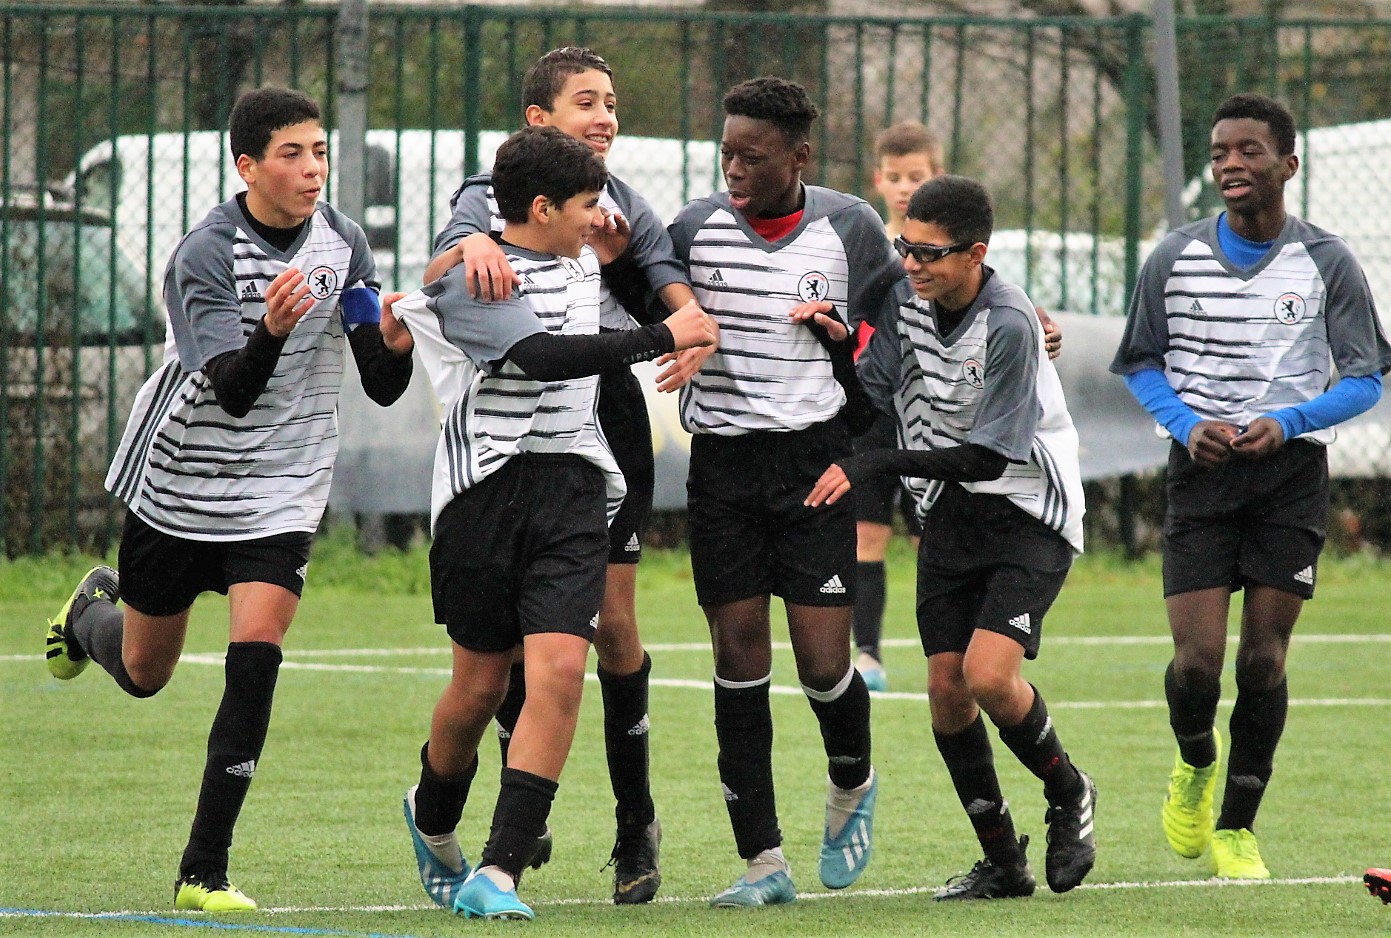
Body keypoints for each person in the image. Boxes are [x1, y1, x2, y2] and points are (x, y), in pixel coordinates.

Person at [42, 87, 416, 912]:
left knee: (256, 655)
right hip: (180, 480)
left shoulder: (343, 243)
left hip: (282, 486)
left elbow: (382, 385)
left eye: (320, 151)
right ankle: (89, 613)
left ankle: (201, 869)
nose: (313, 167)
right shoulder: (205, 254)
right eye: (293, 153)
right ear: (248, 166)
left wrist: (393, 340)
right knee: (144, 674)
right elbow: (233, 391)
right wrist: (274, 328)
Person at [391, 125, 715, 921]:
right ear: (540, 208)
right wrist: (658, 337)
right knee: (477, 686)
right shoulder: (477, 280)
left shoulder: (580, 259)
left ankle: (498, 872)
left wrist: (670, 311)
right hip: (484, 498)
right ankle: (431, 817)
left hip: (573, 492)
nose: (598, 216)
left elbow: (627, 278)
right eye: (583, 204)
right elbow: (538, 357)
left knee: (561, 672)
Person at [1111, 92, 1391, 879]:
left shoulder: (1326, 260)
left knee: (1261, 662)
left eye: (1247, 151)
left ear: (1286, 165)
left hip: (1288, 479)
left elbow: (1366, 378)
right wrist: (1182, 423)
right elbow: (1139, 361)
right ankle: (1195, 763)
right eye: (1218, 153)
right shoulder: (1172, 257)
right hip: (1200, 478)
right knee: (1196, 664)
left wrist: (1291, 420)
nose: (1229, 164)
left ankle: (1236, 826)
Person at [808, 173, 1096, 901]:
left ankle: (1069, 792)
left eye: (928, 253)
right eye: (905, 247)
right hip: (949, 515)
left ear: (975, 254)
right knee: (945, 691)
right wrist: (836, 351)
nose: (910, 263)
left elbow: (989, 457)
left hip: (1026, 511)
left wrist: (876, 462)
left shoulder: (1008, 322)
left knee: (988, 675)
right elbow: (871, 396)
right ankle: (1002, 861)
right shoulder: (908, 303)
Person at [666, 75, 903, 908]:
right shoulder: (691, 230)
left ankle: (851, 781)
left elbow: (889, 352)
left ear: (798, 156)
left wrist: (865, 445)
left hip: (812, 467)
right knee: (737, 660)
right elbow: (646, 299)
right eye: (726, 151)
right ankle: (762, 862)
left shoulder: (851, 229)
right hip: (724, 468)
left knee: (823, 663)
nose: (733, 167)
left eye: (752, 156)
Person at [852, 122, 1062, 692]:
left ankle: (970, 637)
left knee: (932, 530)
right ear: (877, 181)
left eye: (914, 177)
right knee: (866, 536)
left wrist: (1036, 323)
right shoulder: (872, 242)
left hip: (945, 433)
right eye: (893, 178)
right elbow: (853, 310)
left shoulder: (967, 266)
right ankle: (867, 653)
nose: (902, 188)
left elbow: (991, 299)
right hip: (878, 411)